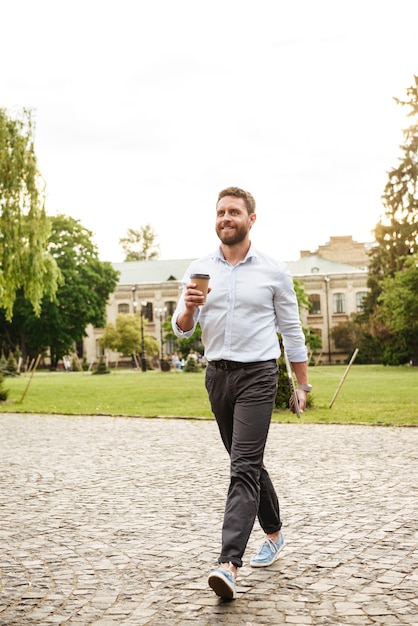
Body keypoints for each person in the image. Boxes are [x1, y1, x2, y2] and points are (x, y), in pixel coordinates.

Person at [171, 186, 311, 600]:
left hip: (258, 376)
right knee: (243, 460)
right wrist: (190, 308)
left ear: (252, 218)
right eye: (220, 212)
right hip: (217, 376)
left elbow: (292, 331)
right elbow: (181, 328)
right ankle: (274, 533)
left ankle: (228, 563)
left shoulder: (273, 271)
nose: (226, 218)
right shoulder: (199, 269)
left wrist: (301, 384)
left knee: (243, 467)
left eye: (234, 211)